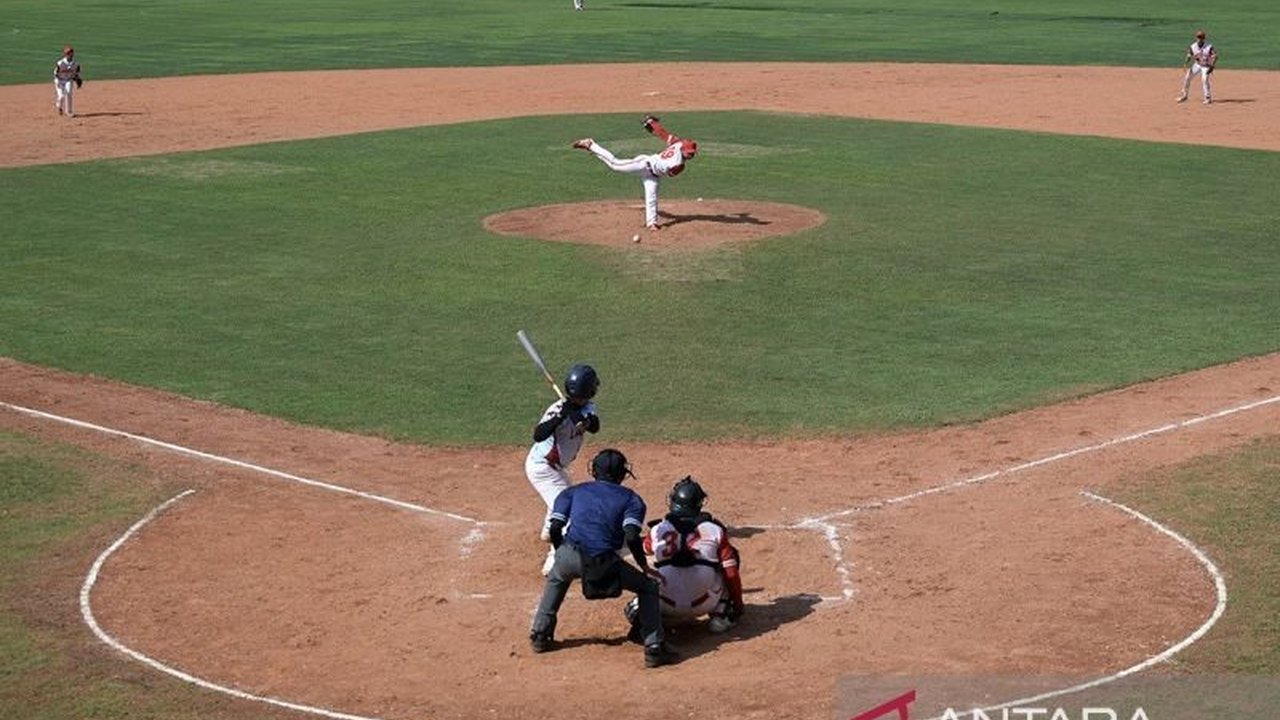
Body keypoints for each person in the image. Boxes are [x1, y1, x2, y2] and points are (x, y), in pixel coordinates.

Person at [530, 448, 678, 668]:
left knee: (557, 577)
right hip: (606, 563)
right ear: (623, 473)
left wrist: (561, 552)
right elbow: (631, 536)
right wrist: (642, 565)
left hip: (571, 555)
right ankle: (654, 647)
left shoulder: (572, 492)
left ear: (594, 471)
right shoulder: (631, 499)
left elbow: (556, 527)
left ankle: (540, 635)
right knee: (648, 587)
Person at [625, 476, 745, 636]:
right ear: (699, 503)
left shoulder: (658, 529)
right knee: (729, 561)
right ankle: (721, 616)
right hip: (704, 604)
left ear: (673, 501)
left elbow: (645, 549)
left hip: (664, 603)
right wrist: (738, 606)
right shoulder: (714, 530)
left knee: (650, 560)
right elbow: (731, 574)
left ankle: (643, 610)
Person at [524, 363, 600, 575]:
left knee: (563, 496)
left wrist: (579, 418)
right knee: (565, 508)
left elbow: (594, 425)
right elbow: (538, 435)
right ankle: (554, 560)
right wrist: (560, 417)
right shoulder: (557, 409)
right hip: (542, 468)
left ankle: (549, 530)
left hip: (555, 468)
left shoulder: (588, 408)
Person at [572, 115, 699, 230]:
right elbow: (671, 172)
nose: (690, 156)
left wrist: (652, 123)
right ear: (683, 149)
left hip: (653, 176)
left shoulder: (678, 143)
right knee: (615, 164)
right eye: (689, 153)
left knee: (651, 198)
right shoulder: (679, 163)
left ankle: (651, 223)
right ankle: (591, 145)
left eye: (692, 154)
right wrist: (653, 125)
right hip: (644, 164)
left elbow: (663, 134)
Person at [1177, 30, 1217, 105]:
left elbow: (1215, 56)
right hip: (1197, 65)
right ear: (1196, 38)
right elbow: (1189, 55)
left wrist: (1212, 66)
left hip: (1206, 66)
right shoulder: (1193, 46)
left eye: (1201, 37)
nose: (1199, 38)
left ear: (1204, 38)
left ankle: (1208, 98)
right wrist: (1186, 63)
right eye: (1198, 37)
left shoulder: (1209, 46)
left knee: (1204, 79)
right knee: (1187, 77)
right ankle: (1185, 95)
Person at [53, 45, 83, 118]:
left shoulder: (76, 64)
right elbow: (56, 74)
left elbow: (76, 74)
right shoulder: (60, 63)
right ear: (65, 54)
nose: (70, 55)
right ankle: (59, 106)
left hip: (68, 80)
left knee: (69, 93)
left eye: (71, 53)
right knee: (61, 96)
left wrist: (77, 79)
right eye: (68, 53)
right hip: (59, 80)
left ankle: (69, 111)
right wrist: (58, 83)